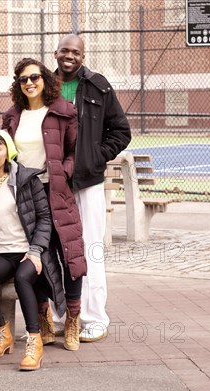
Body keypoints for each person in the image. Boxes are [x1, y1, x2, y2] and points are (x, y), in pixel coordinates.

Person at [2, 58, 87, 352]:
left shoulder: (64, 111)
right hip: (26, 195)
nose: (29, 83)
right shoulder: (13, 115)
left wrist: (64, 170)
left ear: (45, 79)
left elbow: (76, 151)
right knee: (37, 257)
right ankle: (43, 316)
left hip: (57, 193)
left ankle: (73, 321)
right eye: (23, 79)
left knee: (69, 255)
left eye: (34, 77)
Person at [52, 34, 131, 342]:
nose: (69, 55)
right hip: (54, 181)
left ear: (83, 57)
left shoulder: (98, 85)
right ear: (55, 53)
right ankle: (62, 316)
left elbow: (121, 131)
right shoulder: (45, 86)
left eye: (75, 52)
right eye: (64, 50)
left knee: (90, 249)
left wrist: (95, 157)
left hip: (87, 182)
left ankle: (94, 317)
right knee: (58, 250)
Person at [0, 130, 58, 371]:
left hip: (29, 251)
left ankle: (34, 342)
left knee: (23, 279)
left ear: (8, 151)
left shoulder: (26, 180)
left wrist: (35, 250)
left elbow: (44, 218)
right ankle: (3, 334)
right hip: (2, 251)